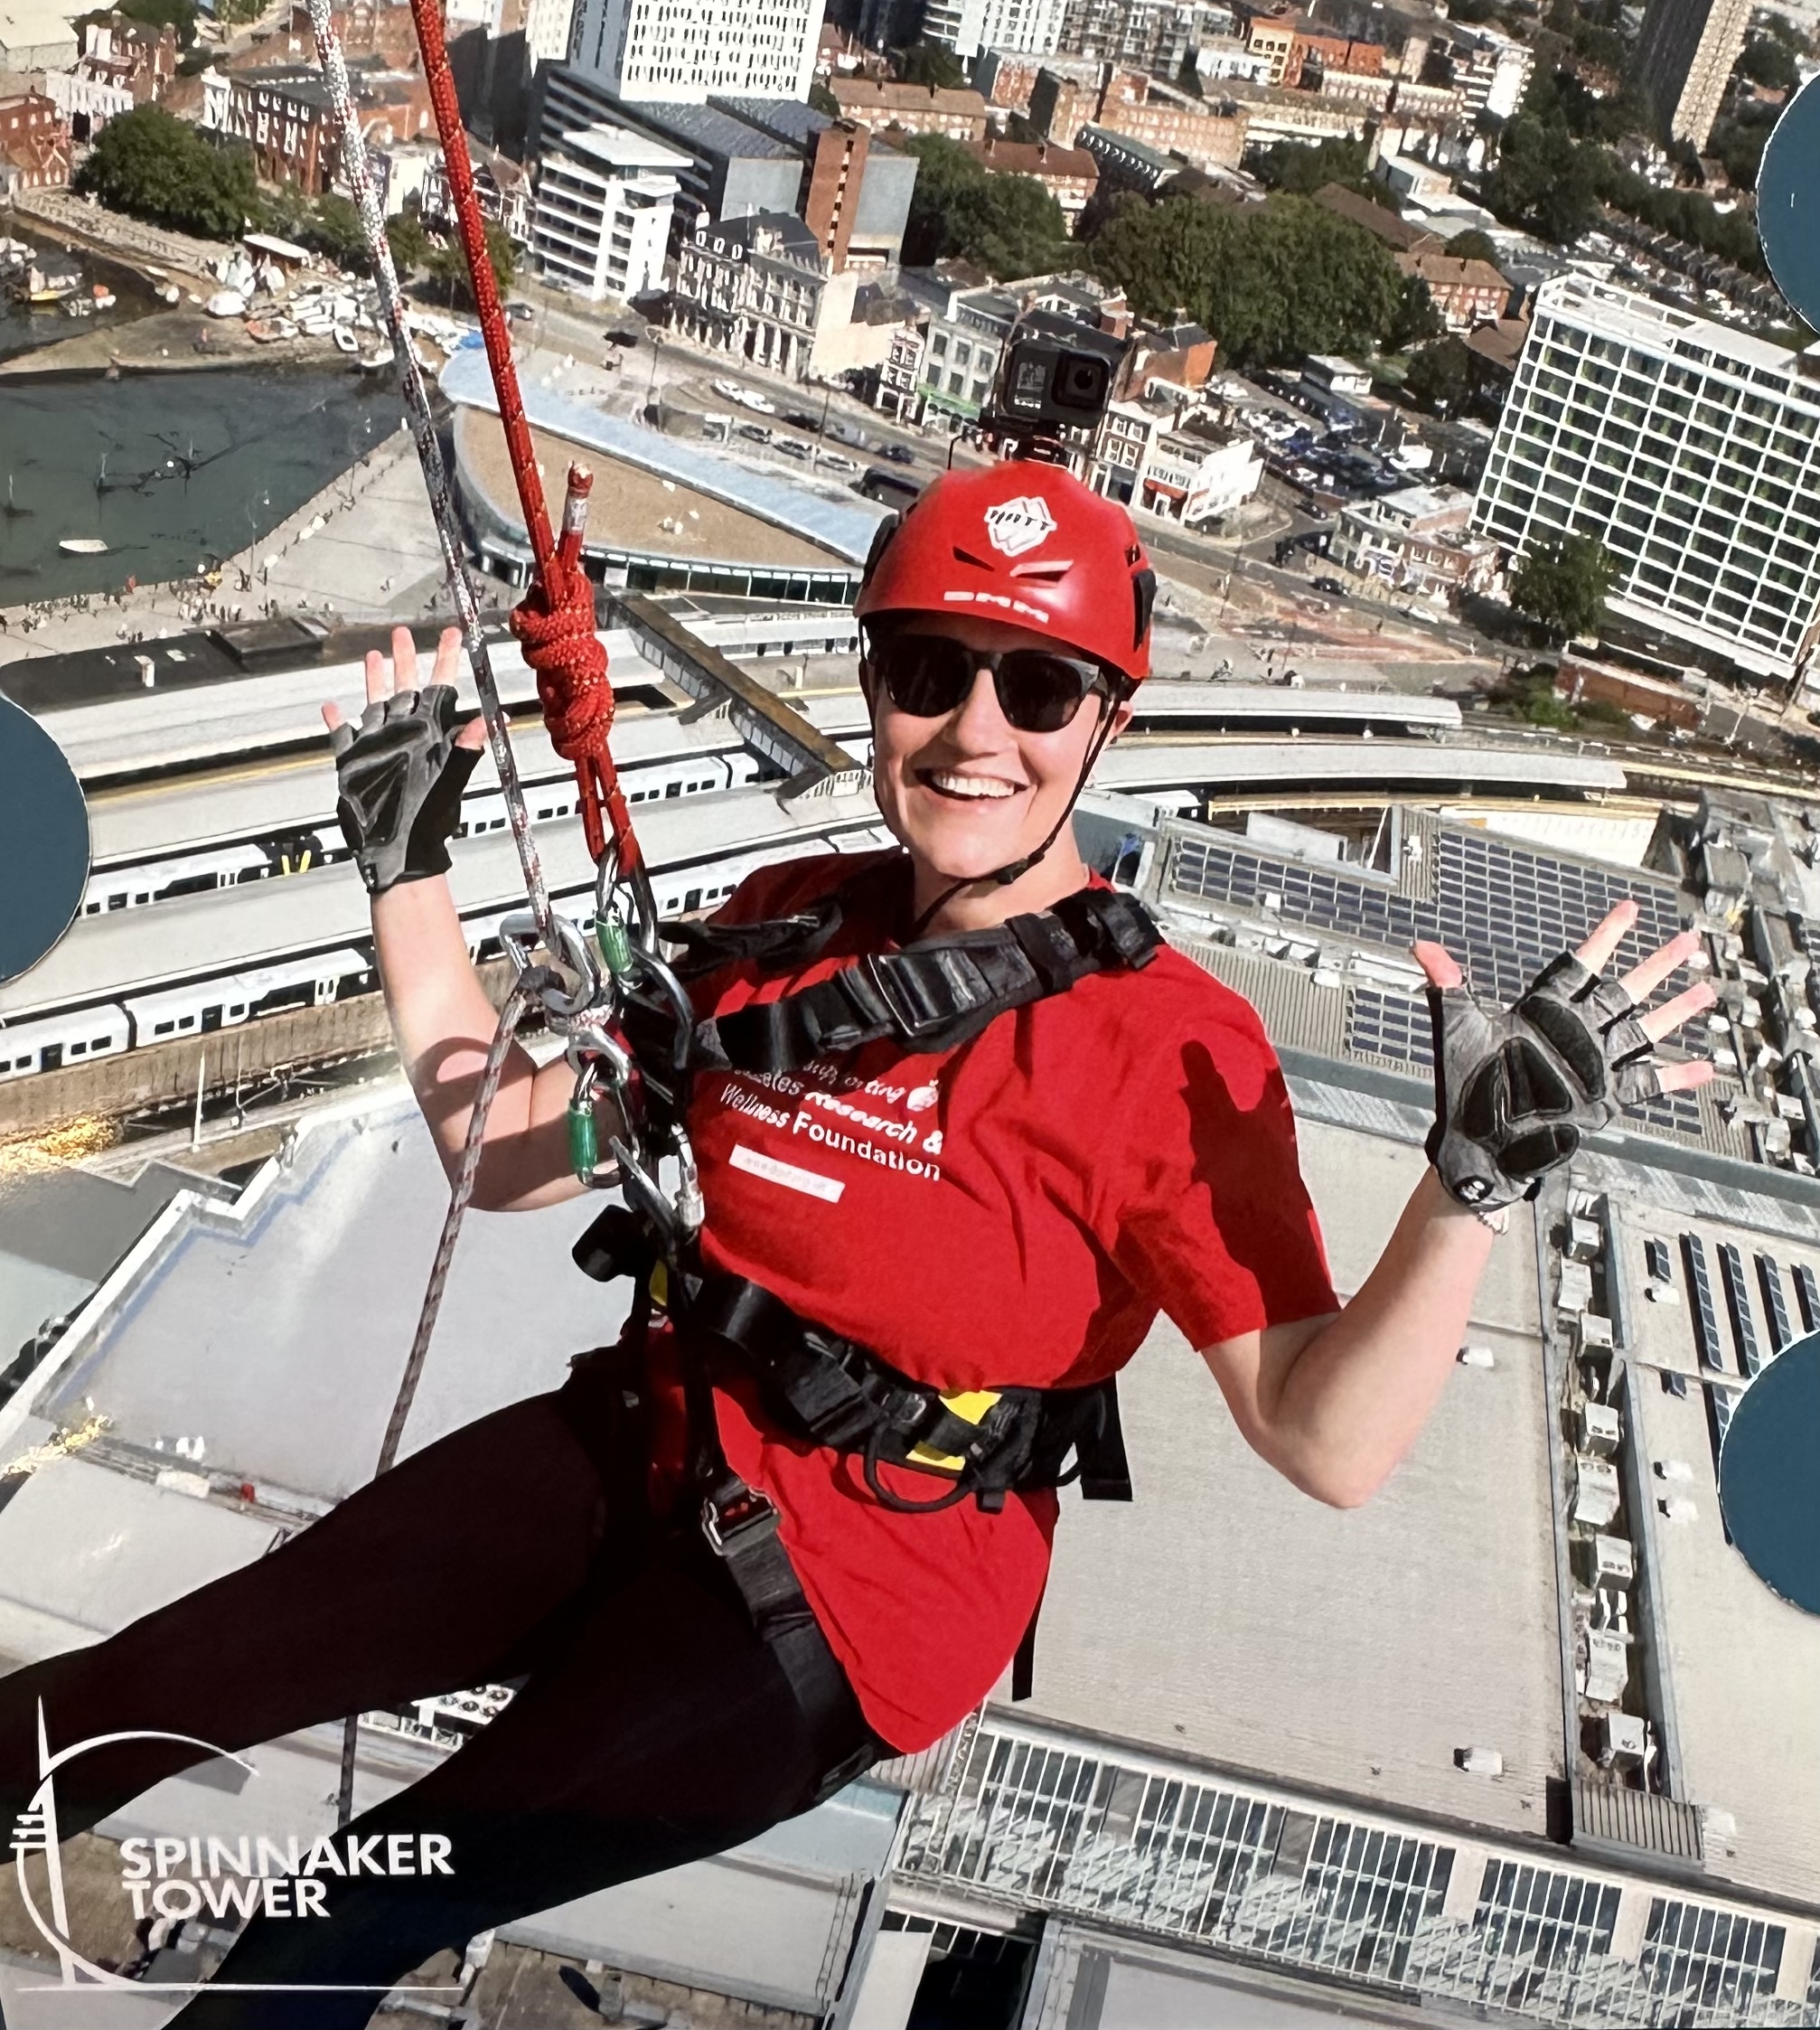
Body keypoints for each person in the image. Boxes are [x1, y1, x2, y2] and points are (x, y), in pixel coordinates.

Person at [0, 464, 1712, 2027]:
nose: (976, 732)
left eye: (1036, 689)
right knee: (110, 1703)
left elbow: (1323, 1435)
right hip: (648, 1441)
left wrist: (1468, 1196)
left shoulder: (1165, 1052)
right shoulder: (781, 933)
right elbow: (496, 1148)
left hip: (844, 1606)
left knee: (335, 1913)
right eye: (928, 672)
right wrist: (403, 869)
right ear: (874, 684)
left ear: (1105, 723)